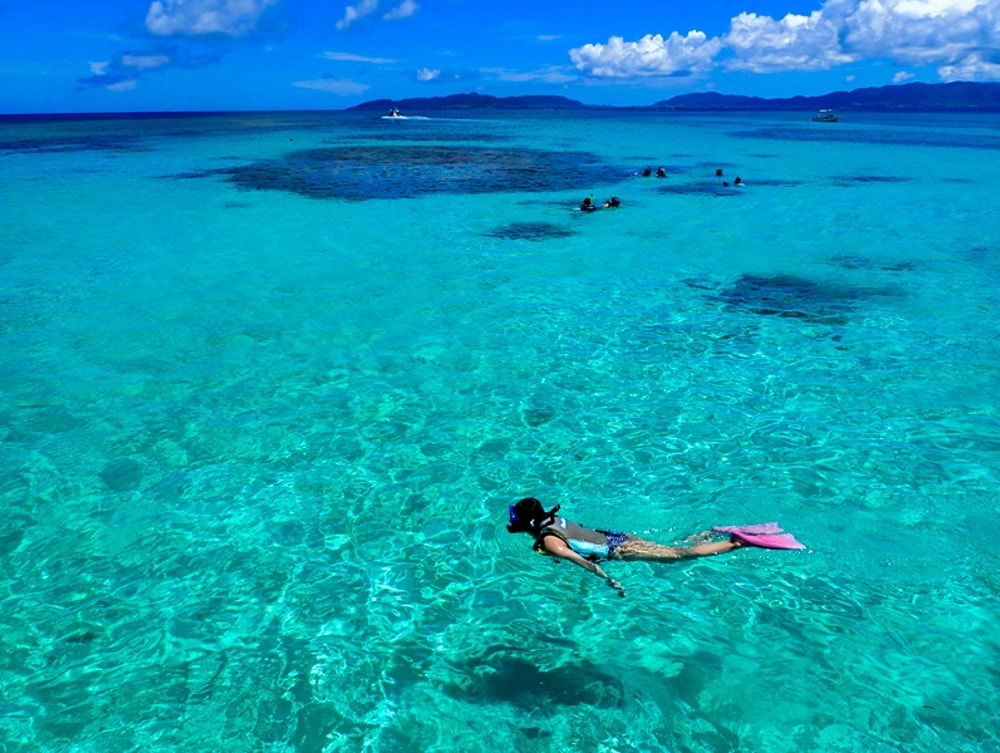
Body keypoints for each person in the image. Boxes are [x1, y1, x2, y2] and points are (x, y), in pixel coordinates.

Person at [506, 497, 803, 597]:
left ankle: (738, 541)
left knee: (677, 556)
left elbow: (581, 561)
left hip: (621, 551)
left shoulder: (549, 540)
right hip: (620, 537)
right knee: (670, 547)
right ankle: (711, 531)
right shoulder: (553, 519)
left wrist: (610, 580)